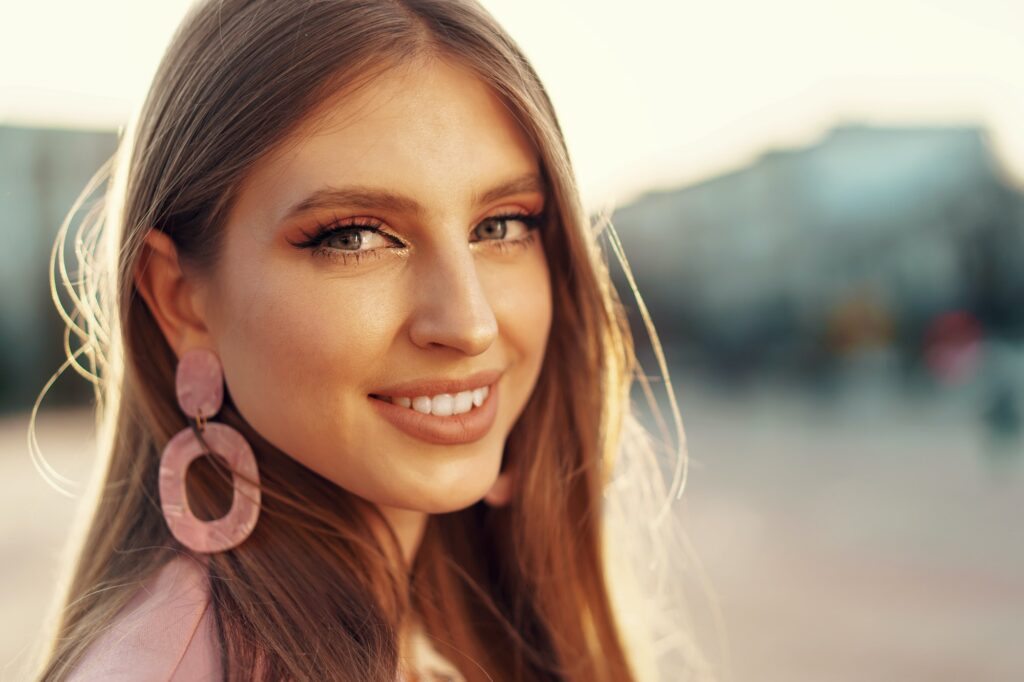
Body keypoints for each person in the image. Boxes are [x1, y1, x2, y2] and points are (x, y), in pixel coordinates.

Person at [29, 1, 712, 680]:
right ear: (182, 299)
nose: (470, 323)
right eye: (354, 236)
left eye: (501, 226)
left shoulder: (453, 629)